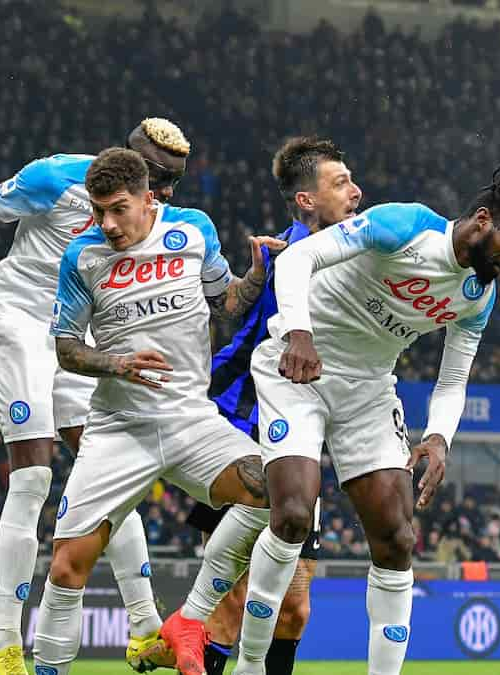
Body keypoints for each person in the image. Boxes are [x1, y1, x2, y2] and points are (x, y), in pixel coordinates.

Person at [236, 169, 500, 674]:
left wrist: (438, 438)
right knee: (295, 514)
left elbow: (453, 380)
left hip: (368, 388)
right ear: (483, 220)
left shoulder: (478, 294)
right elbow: (300, 256)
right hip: (299, 364)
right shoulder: (405, 225)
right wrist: (300, 332)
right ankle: (251, 665)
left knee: (397, 539)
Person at [0, 118, 191, 674]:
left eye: (176, 181)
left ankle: (146, 629)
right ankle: (5, 641)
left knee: (113, 471)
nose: (170, 191)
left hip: (73, 338)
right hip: (18, 320)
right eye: (162, 176)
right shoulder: (56, 176)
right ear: (130, 162)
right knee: (33, 475)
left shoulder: (154, 216)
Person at [33, 147, 281, 675]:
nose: (107, 224)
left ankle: (189, 618)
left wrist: (258, 274)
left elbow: (230, 302)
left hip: (191, 419)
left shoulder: (192, 230)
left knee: (278, 490)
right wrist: (116, 362)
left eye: (118, 209)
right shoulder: (83, 256)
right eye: (99, 211)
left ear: (149, 197)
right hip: (119, 427)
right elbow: (66, 347)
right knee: (67, 566)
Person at [187, 136, 362, 675]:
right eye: (340, 183)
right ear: (306, 201)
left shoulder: (360, 254)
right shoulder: (275, 254)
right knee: (236, 603)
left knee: (294, 608)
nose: (357, 192)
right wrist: (270, 267)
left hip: (301, 438)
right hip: (239, 426)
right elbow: (232, 311)